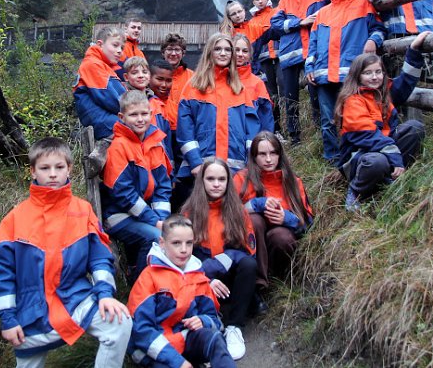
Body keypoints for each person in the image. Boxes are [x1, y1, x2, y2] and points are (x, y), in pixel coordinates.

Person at [0, 137, 132, 368]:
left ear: (69, 169)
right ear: (33, 172)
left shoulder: (82, 210)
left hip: (75, 300)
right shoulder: (14, 219)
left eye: (59, 167)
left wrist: (105, 294)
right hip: (31, 314)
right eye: (45, 168)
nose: (53, 174)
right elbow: (2, 275)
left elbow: (99, 258)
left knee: (120, 321)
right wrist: (8, 319)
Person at [335, 32, 430, 211]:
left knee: (414, 129)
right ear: (358, 76)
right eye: (368, 73)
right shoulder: (352, 100)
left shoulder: (384, 91)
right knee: (377, 161)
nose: (374, 77)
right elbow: (367, 136)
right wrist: (395, 157)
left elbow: (406, 82)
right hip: (359, 157)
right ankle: (357, 192)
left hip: (384, 148)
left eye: (378, 72)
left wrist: (414, 51)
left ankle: (390, 178)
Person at [127, 214, 236, 368]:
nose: (184, 250)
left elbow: (215, 320)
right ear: (162, 243)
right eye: (176, 243)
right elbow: (141, 332)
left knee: (215, 338)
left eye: (189, 243)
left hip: (186, 340)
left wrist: (203, 320)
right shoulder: (148, 277)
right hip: (155, 350)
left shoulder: (198, 275)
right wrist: (178, 362)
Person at [305, 0, 387, 164]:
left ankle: (358, 154)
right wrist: (309, 67)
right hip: (324, 75)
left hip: (351, 75)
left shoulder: (364, 5)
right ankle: (333, 160)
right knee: (328, 120)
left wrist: (372, 41)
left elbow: (379, 29)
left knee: (355, 116)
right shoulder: (323, 13)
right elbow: (313, 43)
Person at [181, 158, 257, 361]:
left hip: (229, 280)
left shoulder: (238, 211)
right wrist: (206, 280)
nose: (216, 184)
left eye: (221, 179)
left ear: (228, 182)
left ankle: (234, 327)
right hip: (201, 281)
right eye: (211, 179)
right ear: (202, 181)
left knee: (249, 265)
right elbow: (182, 260)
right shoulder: (188, 213)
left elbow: (248, 250)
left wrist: (219, 262)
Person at [174, 33, 253, 211]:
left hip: (235, 171)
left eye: (227, 49)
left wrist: (250, 165)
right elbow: (185, 131)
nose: (223, 53)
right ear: (209, 52)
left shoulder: (240, 89)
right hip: (200, 170)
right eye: (218, 49)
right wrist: (195, 163)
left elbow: (251, 131)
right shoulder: (193, 87)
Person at [102, 91, 173, 277]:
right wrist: (155, 222)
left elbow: (163, 186)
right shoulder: (119, 146)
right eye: (133, 115)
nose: (140, 119)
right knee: (156, 237)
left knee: (175, 233)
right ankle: (140, 288)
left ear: (151, 113)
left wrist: (162, 217)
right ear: (122, 117)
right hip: (118, 215)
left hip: (146, 213)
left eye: (144, 114)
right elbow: (124, 195)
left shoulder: (155, 142)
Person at [234, 131, 313, 292]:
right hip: (248, 243)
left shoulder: (293, 181)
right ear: (254, 157)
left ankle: (277, 280)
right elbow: (229, 214)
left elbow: (309, 223)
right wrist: (258, 204)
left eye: (273, 153)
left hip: (279, 244)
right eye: (262, 154)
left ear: (280, 155)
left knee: (280, 236)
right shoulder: (242, 179)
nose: (268, 159)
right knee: (255, 221)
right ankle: (258, 283)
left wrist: (286, 218)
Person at [271, 0, 332, 144]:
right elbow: (275, 24)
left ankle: (319, 132)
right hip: (291, 54)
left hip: (313, 50)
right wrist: (300, 22)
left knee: (316, 92)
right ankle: (295, 137)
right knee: (290, 97)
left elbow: (333, 5)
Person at [74, 26, 128, 178]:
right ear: (100, 44)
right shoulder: (93, 64)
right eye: (115, 45)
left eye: (122, 48)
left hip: (103, 116)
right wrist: (130, 110)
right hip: (99, 118)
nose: (120, 51)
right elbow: (109, 98)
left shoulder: (104, 65)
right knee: (135, 130)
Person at [124, 57, 173, 165]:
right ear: (126, 77)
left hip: (158, 160)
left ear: (149, 75)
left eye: (144, 72)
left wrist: (170, 166)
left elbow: (166, 138)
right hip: (135, 159)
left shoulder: (156, 103)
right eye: (135, 72)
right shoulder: (123, 99)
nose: (141, 75)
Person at [249, 0, 281, 134]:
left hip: (280, 57)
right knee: (270, 94)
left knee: (284, 91)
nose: (260, 1)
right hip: (263, 61)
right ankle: (276, 128)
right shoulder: (251, 22)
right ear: (253, 2)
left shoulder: (277, 12)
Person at [233, 33, 274, 133]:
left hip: (252, 140)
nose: (240, 54)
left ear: (250, 55)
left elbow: (266, 117)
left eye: (245, 51)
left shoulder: (257, 83)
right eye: (236, 50)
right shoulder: (220, 80)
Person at [160, 33, 194, 132]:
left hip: (186, 130)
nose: (173, 53)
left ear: (183, 53)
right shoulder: (153, 76)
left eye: (177, 50)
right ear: (163, 52)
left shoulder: (193, 77)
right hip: (161, 129)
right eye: (170, 49)